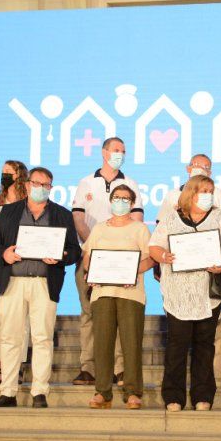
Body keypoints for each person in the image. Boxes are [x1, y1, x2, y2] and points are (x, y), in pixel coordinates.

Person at [0, 166, 80, 408]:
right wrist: (4, 254)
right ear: (27, 185)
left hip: (44, 284)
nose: (41, 188)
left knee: (42, 338)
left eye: (46, 185)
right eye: (36, 183)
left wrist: (61, 254)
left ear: (51, 188)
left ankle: (40, 392)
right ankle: (8, 391)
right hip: (13, 282)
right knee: (10, 338)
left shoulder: (62, 214)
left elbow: (74, 250)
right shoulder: (9, 212)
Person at [149, 175, 221, 411]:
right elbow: (154, 246)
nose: (208, 194)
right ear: (191, 192)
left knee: (204, 344)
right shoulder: (170, 218)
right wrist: (163, 256)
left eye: (211, 190)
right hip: (178, 292)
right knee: (177, 345)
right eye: (203, 190)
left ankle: (203, 396)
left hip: (208, 293)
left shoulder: (220, 217)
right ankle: (173, 397)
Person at [70, 137, 143, 386]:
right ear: (103, 152)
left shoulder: (129, 183)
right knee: (89, 313)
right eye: (115, 150)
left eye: (123, 151)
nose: (119, 154)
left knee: (122, 313)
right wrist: (96, 247)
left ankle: (120, 368)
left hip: (123, 263)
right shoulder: (86, 182)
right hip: (90, 258)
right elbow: (78, 219)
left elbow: (138, 217)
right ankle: (88, 367)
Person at [82, 185, 153, 410]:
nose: (120, 201)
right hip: (102, 292)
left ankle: (132, 392)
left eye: (125, 199)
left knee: (131, 343)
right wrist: (90, 273)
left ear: (132, 204)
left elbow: (151, 259)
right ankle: (103, 391)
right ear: (110, 201)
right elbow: (87, 257)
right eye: (117, 198)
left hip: (130, 292)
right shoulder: (100, 229)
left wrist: (131, 272)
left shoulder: (140, 229)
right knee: (102, 343)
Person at [0, 159, 28, 386]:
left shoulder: (28, 201)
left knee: (23, 319)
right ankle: (2, 365)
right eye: (2, 172)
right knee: (0, 318)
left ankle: (18, 365)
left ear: (19, 175)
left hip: (23, 264)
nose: (4, 175)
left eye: (8, 172)